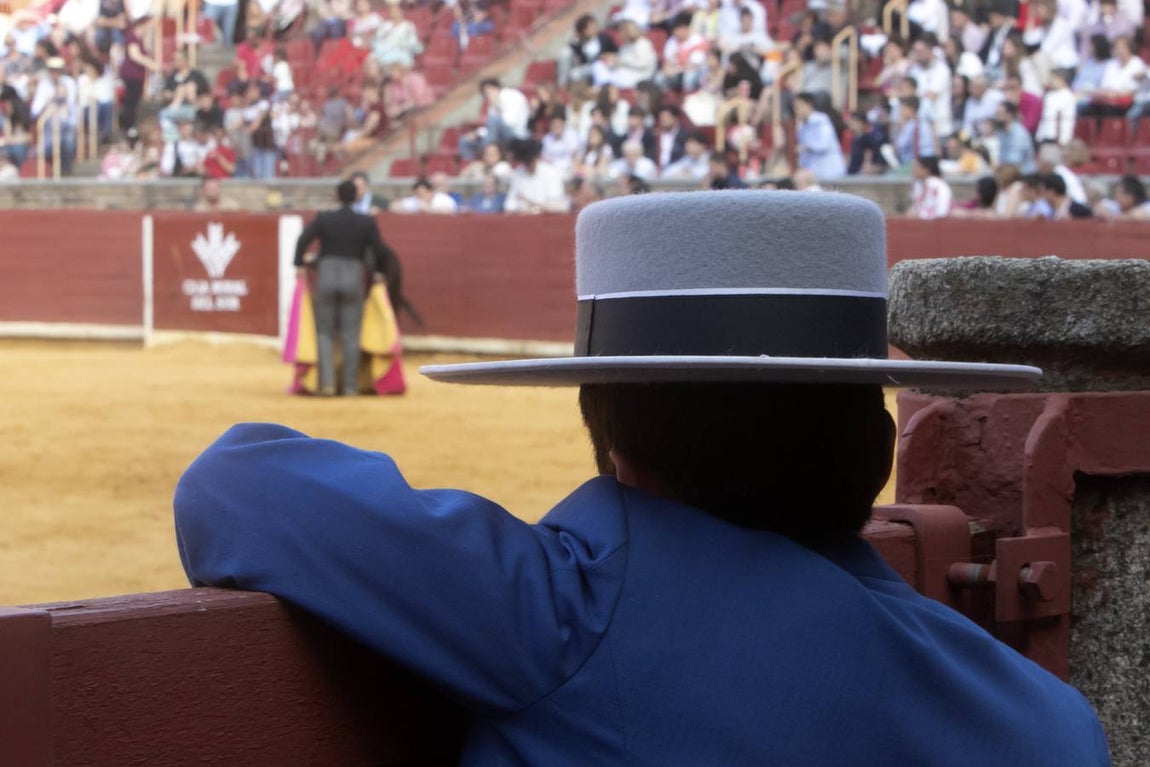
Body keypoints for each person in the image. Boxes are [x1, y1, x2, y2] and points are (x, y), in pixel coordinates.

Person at [175, 190, 1110, 767]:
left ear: (613, 446)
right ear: (874, 452)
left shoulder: (566, 614)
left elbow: (233, 484)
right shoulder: (1047, 722)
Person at [293, 180, 395, 396]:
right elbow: (381, 250)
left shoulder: (325, 218)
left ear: (337, 196)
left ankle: (327, 384)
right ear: (356, 197)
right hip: (352, 275)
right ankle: (350, 386)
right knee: (350, 333)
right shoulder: (365, 221)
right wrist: (378, 272)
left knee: (325, 332)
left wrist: (299, 265)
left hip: (327, 274)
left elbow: (302, 240)